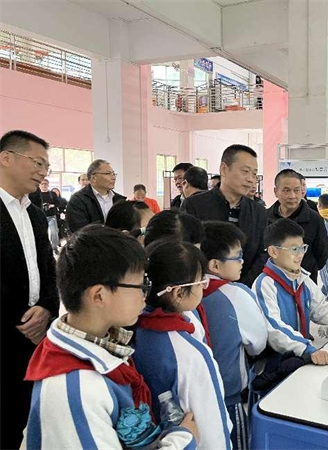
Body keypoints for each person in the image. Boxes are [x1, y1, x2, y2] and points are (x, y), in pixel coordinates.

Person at [24, 226, 199, 449]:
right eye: (140, 286)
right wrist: (183, 440)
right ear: (99, 295)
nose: (144, 296)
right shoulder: (75, 390)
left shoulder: (106, 342)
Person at [134, 238, 232, 450]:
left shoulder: (135, 327)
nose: (204, 286)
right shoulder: (188, 354)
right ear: (178, 293)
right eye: (200, 282)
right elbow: (212, 424)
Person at [0, 130, 59, 449]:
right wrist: (22, 319)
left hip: (35, 334)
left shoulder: (34, 214)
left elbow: (48, 268)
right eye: (37, 162)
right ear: (6, 158)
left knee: (25, 415)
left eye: (46, 166)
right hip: (10, 330)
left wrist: (48, 307)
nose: (43, 171)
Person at [253, 219, 328, 368]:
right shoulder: (265, 284)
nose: (300, 255)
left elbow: (322, 309)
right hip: (274, 365)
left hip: (299, 358)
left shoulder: (302, 279)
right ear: (273, 252)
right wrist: (306, 348)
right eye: (293, 249)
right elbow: (274, 329)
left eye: (302, 248)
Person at [201, 221, 268, 450]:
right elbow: (257, 344)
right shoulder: (236, 295)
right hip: (229, 396)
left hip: (196, 398)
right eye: (237, 256)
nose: (242, 262)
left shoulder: (187, 292)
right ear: (215, 265)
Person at [182, 145, 267, 287]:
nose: (251, 180)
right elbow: (187, 250)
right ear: (224, 169)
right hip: (202, 289)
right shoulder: (194, 205)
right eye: (245, 171)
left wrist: (241, 287)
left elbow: (261, 254)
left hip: (244, 289)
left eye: (254, 174)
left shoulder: (258, 211)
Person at [266, 169, 328, 283]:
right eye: (286, 190)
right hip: (271, 282)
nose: (292, 196)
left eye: (297, 190)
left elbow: (321, 254)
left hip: (304, 282)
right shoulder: (265, 217)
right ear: (276, 191)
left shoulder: (314, 219)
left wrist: (308, 268)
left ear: (302, 191)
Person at [67, 159, 126, 232]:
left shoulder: (119, 200)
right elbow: (81, 232)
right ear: (94, 178)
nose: (113, 178)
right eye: (108, 174)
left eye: (113, 174)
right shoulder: (78, 200)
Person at [39, 178, 59, 253]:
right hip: (41, 217)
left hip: (51, 216)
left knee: (54, 233)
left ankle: (54, 247)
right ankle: (45, 248)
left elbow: (58, 203)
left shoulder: (52, 194)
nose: (44, 185)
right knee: (43, 234)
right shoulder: (37, 194)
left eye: (45, 184)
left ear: (48, 185)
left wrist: (52, 205)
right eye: (42, 184)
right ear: (40, 185)